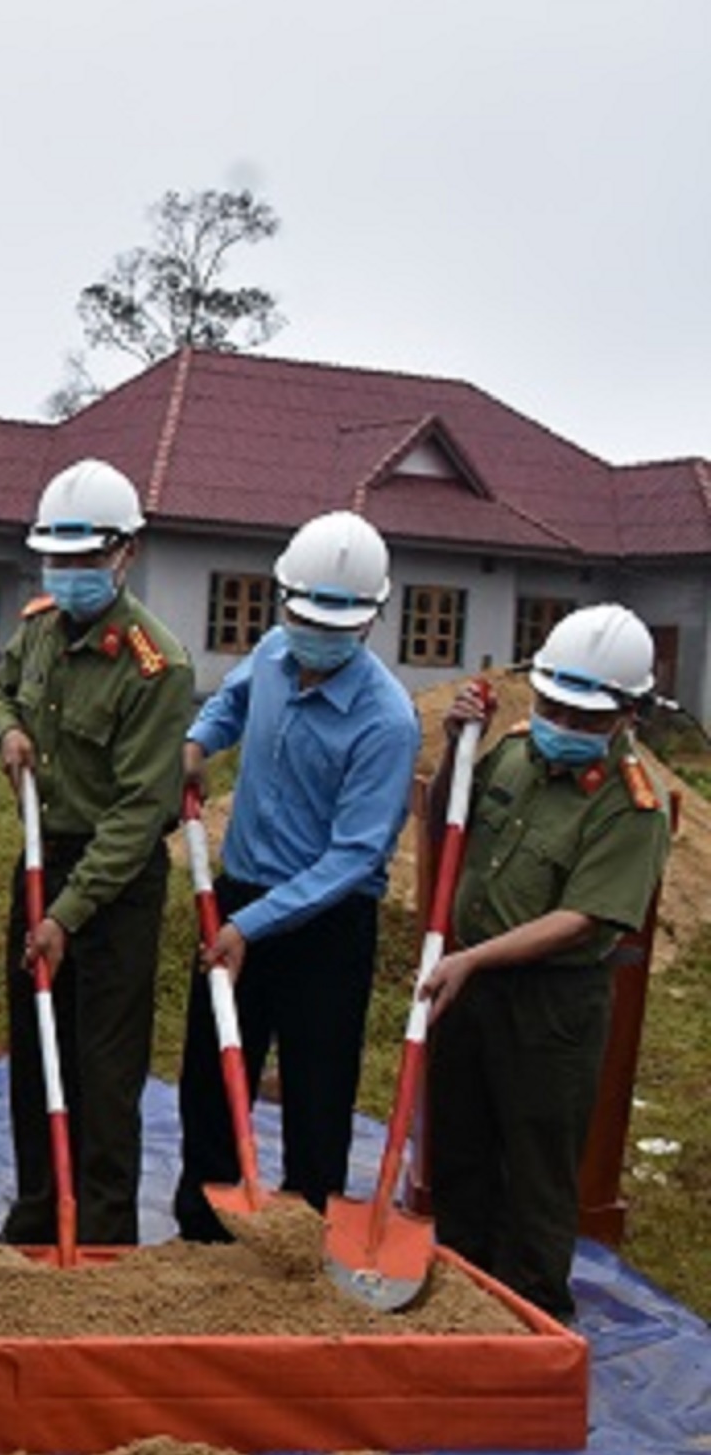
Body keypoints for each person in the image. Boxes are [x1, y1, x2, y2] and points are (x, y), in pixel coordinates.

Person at [173, 512, 421, 1239]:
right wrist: (200, 741)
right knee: (214, 1072)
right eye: (303, 617)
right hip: (241, 889)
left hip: (325, 921)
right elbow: (234, 699)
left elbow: (353, 856)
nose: (314, 637)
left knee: (318, 1086)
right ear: (283, 602)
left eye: (336, 627)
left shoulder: (387, 721)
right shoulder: (276, 649)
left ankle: (305, 1229)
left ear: (371, 620)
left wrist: (248, 926)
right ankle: (206, 1225)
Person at [420, 603, 670, 1322]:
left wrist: (475, 960)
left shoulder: (633, 804)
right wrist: (457, 747)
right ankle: (459, 1297)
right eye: (555, 704)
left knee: (535, 1169)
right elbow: (446, 820)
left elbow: (583, 917)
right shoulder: (516, 750)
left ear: (627, 715)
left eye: (586, 718)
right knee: (460, 1153)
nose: (564, 724)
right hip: (471, 987)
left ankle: (529, 1317)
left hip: (550, 1006)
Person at [0, 457, 194, 1247]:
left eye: (85, 559)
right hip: (42, 858)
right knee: (36, 1048)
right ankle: (38, 1207)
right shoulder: (37, 628)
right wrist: (5, 730)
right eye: (57, 559)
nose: (69, 574)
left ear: (125, 554)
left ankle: (103, 1227)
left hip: (114, 884)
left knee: (103, 1065)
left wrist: (67, 916)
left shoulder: (155, 663)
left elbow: (142, 812)